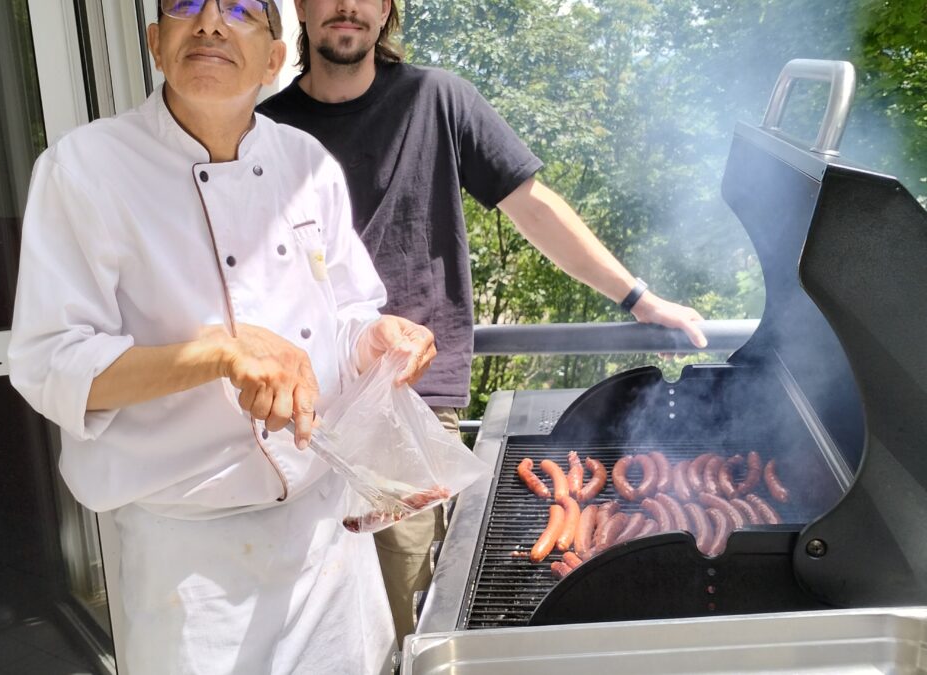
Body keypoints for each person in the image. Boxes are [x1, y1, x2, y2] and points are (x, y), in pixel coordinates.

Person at [257, 0, 710, 644]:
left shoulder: (436, 99)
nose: (347, 7)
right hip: (297, 417)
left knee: (405, 619)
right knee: (304, 622)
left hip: (406, 411)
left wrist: (639, 298)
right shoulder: (263, 133)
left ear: (387, 8)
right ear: (301, 5)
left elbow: (532, 204)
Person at [9, 0, 435, 673]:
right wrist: (215, 354)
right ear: (156, 43)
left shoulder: (307, 164)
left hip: (327, 553)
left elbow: (348, 314)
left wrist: (377, 336)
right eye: (185, 5)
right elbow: (50, 364)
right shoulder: (84, 170)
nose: (208, 21)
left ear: (273, 59)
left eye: (240, 9)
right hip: (195, 577)